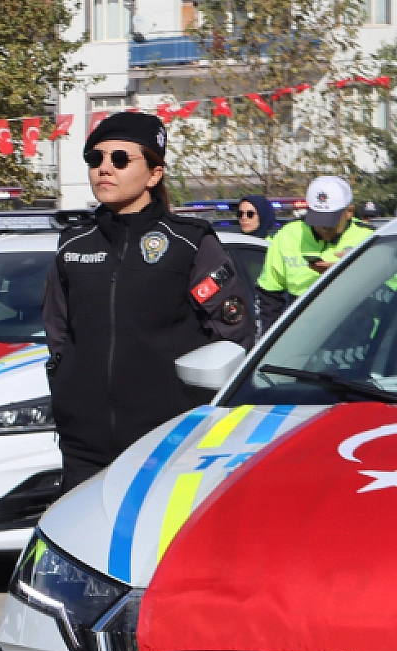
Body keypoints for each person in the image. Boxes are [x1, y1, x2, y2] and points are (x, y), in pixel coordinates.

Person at [45, 111, 254, 493]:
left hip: (169, 439)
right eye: (95, 158)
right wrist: (67, 390)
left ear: (154, 174)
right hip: (84, 443)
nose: (104, 168)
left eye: (120, 159)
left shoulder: (190, 242)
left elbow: (232, 336)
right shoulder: (74, 245)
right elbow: (59, 332)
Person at [254, 176, 373, 332]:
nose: (323, 227)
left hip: (357, 331)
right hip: (305, 335)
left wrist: (351, 273)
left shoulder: (369, 239)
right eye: (318, 218)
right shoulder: (288, 235)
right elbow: (269, 295)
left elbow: (390, 294)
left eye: (330, 220)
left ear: (349, 211)